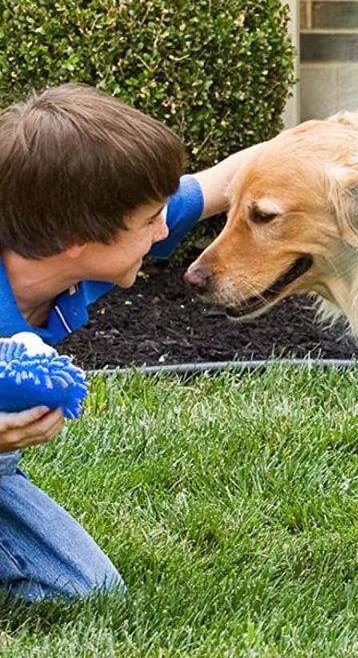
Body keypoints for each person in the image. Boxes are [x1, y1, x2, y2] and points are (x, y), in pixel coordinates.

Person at [0, 83, 262, 601]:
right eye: (148, 221)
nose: (165, 230)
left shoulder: (77, 250)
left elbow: (227, 179)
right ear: (76, 240)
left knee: (86, 592)